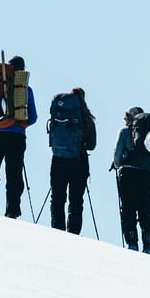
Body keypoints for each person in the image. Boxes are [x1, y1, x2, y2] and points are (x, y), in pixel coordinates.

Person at [0, 55, 38, 218]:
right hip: (16, 137)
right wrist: (18, 124)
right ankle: (12, 212)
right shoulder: (24, 89)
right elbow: (32, 117)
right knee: (13, 176)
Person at [112, 106, 150, 254]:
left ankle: (132, 243)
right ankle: (148, 245)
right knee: (146, 210)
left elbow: (118, 156)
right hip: (147, 175)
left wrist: (119, 164)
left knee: (128, 209)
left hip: (128, 174)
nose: (125, 120)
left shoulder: (125, 132)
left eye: (126, 117)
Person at [50, 87, 96, 234]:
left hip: (58, 159)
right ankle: (73, 233)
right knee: (76, 201)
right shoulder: (87, 118)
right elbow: (92, 145)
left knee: (57, 197)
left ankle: (57, 230)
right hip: (78, 161)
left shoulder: (59, 113)